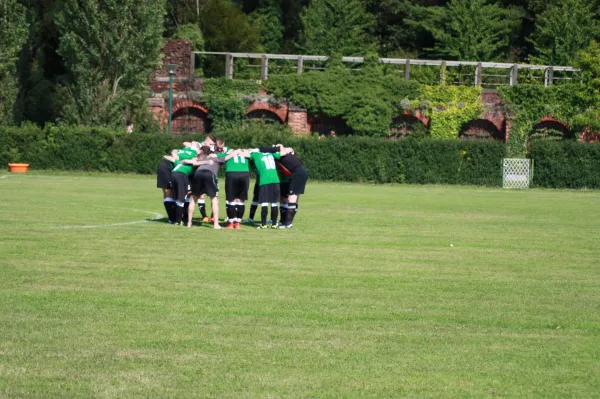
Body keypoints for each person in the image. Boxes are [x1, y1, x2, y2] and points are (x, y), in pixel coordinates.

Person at [182, 147, 233, 229]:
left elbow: (188, 161)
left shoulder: (203, 159)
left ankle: (189, 223)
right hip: (209, 174)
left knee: (194, 198)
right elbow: (230, 156)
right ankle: (216, 224)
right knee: (214, 199)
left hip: (197, 174)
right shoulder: (217, 158)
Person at [258, 144, 308, 228]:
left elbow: (279, 148)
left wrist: (259, 149)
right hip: (299, 173)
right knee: (292, 199)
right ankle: (284, 221)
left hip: (297, 174)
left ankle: (288, 223)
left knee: (292, 199)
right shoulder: (285, 153)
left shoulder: (282, 153)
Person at [243, 149, 287, 229]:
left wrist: (251, 150)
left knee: (264, 203)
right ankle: (274, 224)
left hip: (265, 180)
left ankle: (263, 224)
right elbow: (284, 152)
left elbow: (244, 154)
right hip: (275, 180)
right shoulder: (271, 154)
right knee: (274, 203)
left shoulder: (256, 154)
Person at [217, 147, 251, 229]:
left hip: (232, 174)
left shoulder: (228, 154)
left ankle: (231, 223)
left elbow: (217, 156)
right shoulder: (245, 155)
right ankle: (238, 223)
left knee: (231, 200)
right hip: (245, 175)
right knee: (241, 200)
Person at [169, 143, 201, 225]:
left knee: (178, 197)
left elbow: (175, 160)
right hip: (181, 175)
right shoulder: (195, 159)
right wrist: (207, 162)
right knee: (181, 198)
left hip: (173, 174)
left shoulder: (186, 156)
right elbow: (194, 163)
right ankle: (178, 221)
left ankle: (178, 219)